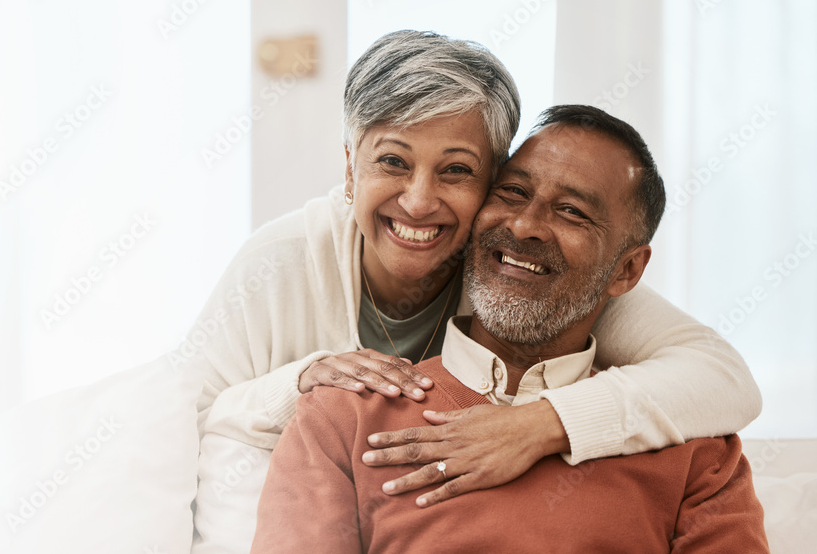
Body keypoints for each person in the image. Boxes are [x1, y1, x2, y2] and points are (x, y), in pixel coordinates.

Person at [190, 31, 760, 550]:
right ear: (349, 169)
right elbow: (191, 421)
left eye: (457, 171)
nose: (418, 202)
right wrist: (304, 379)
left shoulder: (689, 443)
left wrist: (539, 424)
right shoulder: (334, 403)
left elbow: (723, 376)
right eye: (392, 160)